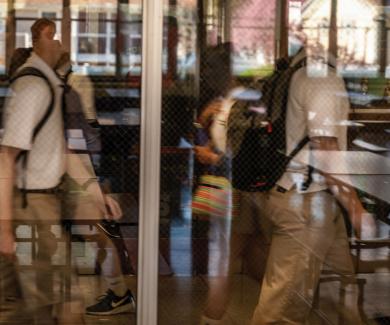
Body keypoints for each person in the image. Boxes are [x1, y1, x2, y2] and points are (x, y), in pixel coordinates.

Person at [248, 47, 376, 324]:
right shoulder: (323, 78)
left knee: (343, 293)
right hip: (306, 206)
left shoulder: (292, 72)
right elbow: (325, 147)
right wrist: (356, 210)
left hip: (309, 199)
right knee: (282, 309)